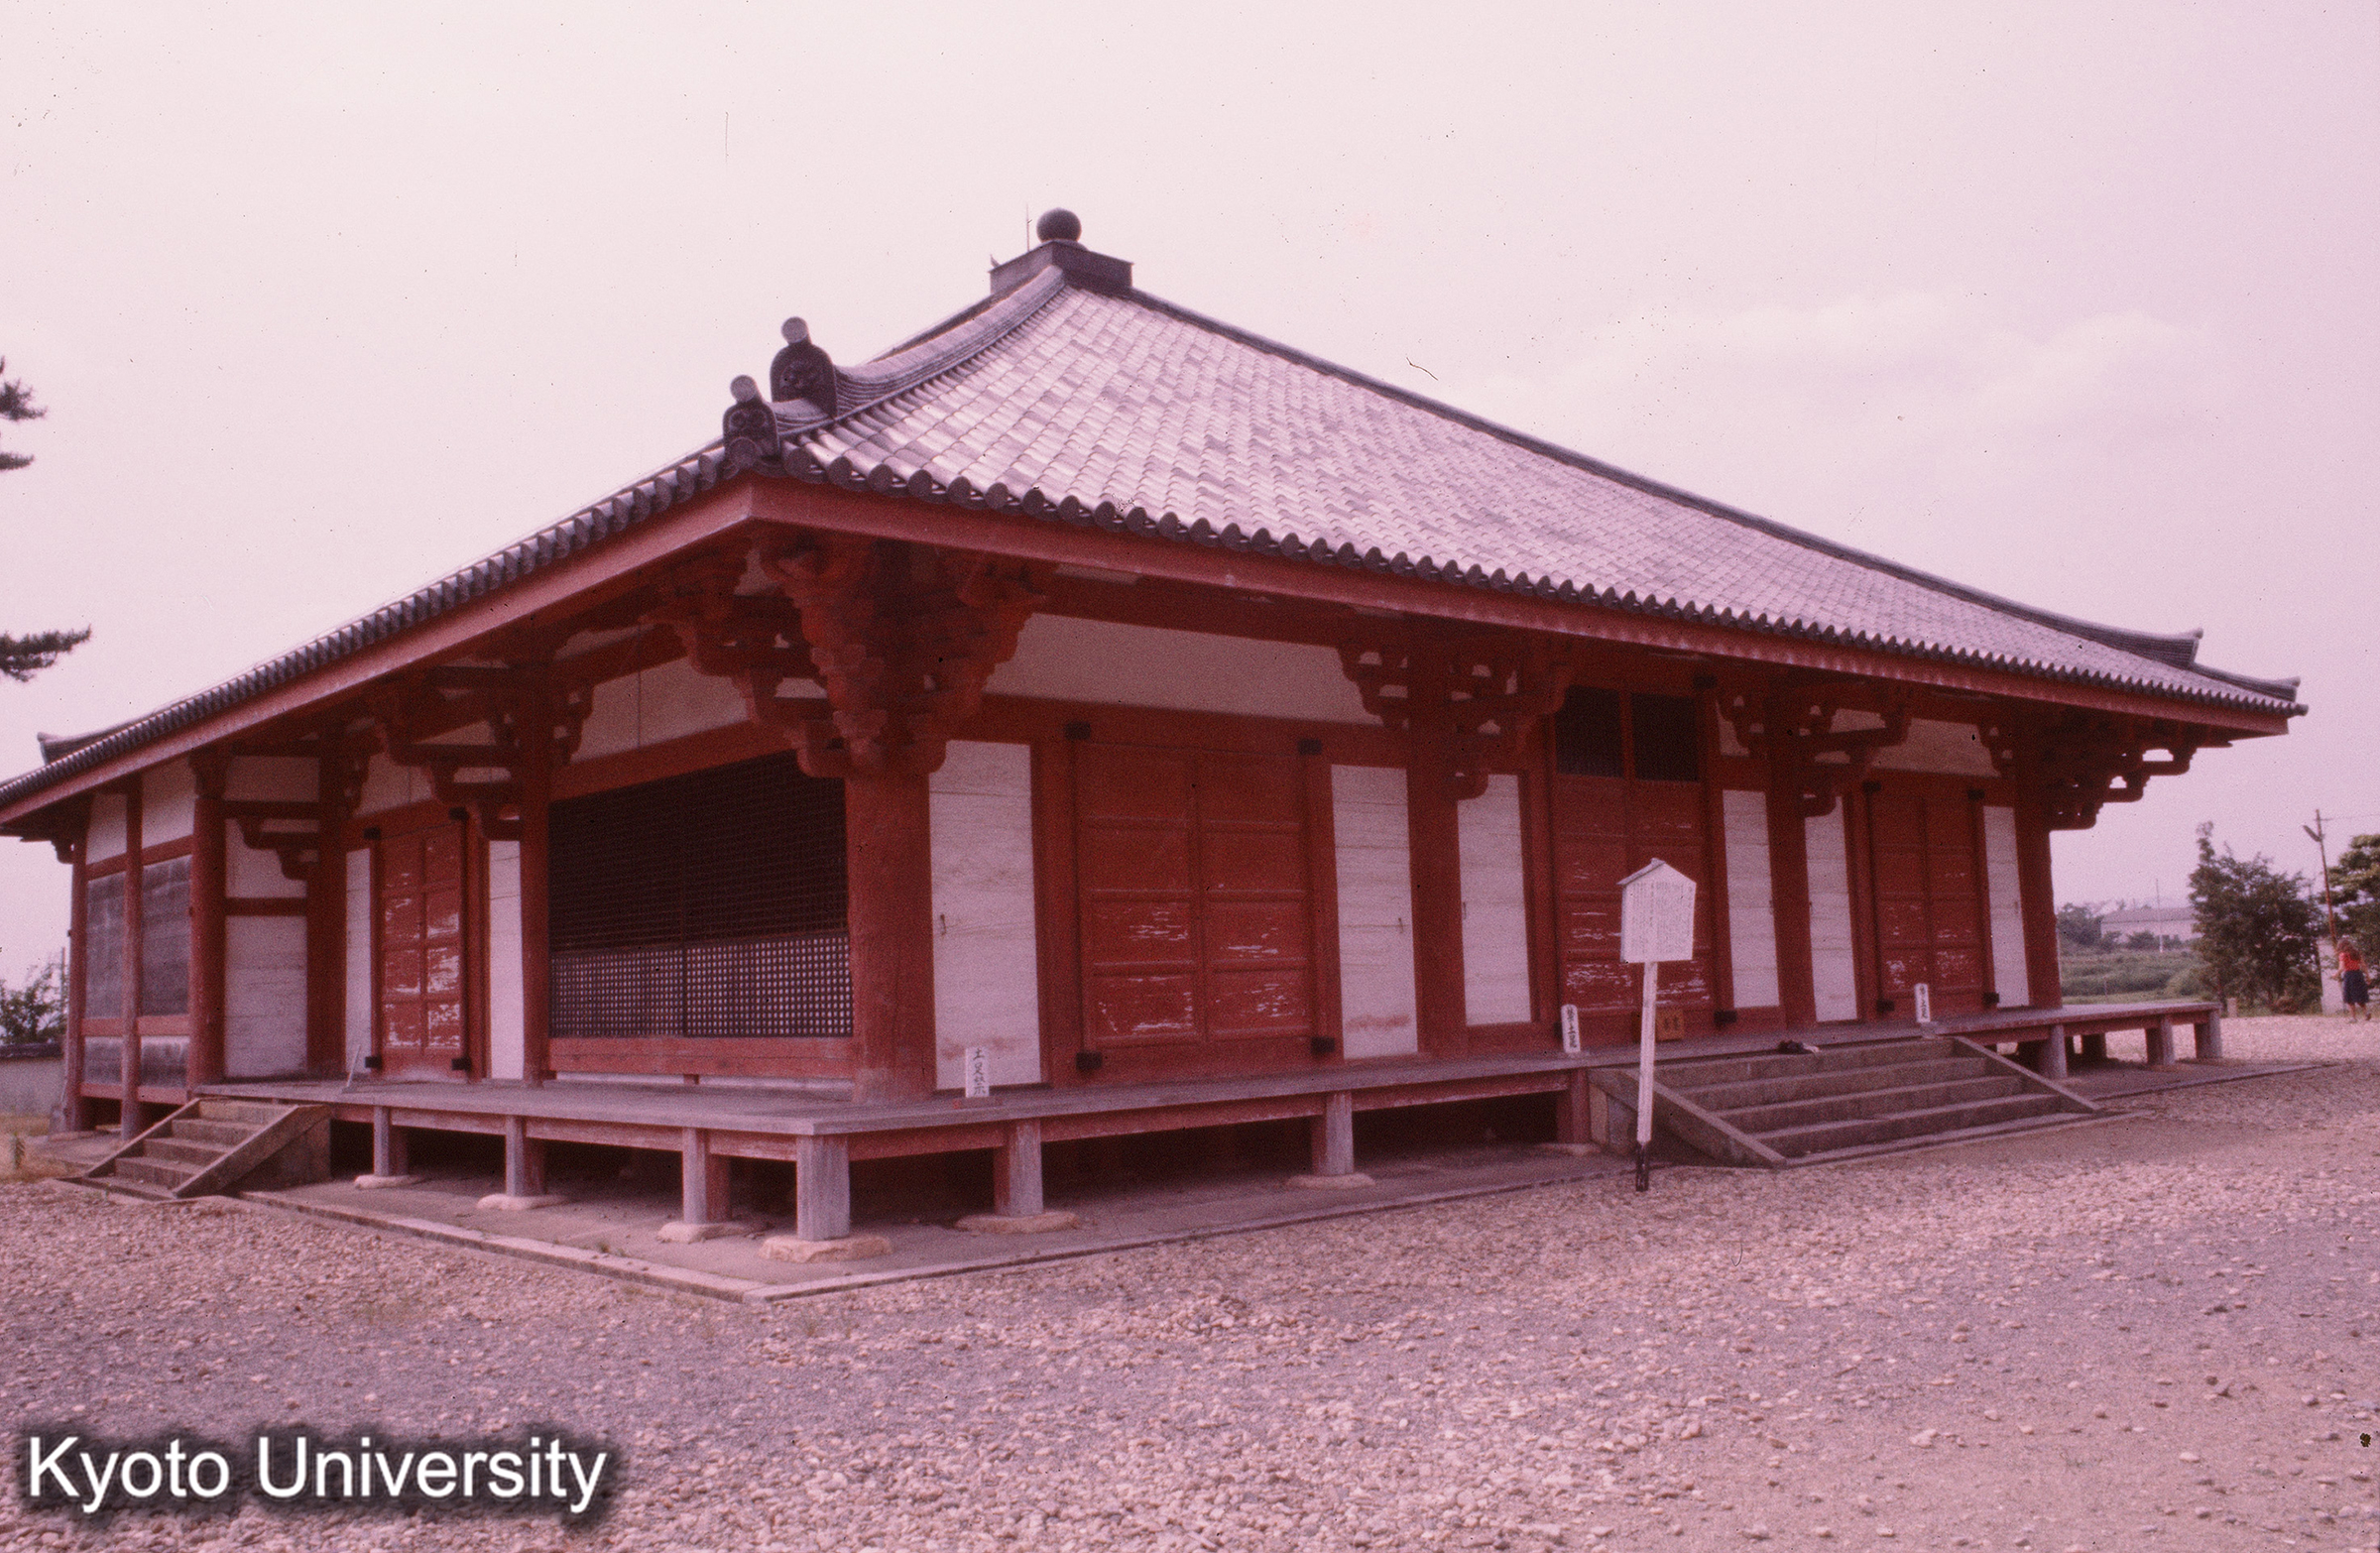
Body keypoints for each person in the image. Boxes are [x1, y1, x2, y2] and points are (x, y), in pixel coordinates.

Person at [2340, 940, 2370, 1022]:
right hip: (2358, 974)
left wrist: (2336, 974)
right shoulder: (2356, 954)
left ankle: (2353, 1018)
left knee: (2349, 997)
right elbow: (2363, 965)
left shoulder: (2343, 955)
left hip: (2349, 975)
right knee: (2359, 995)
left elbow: (2342, 967)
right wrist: (2368, 976)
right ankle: (2366, 1012)